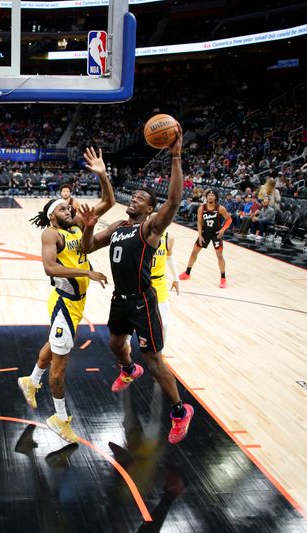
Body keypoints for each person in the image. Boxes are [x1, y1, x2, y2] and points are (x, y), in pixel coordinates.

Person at [81, 129, 194, 445]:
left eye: (142, 198)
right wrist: (89, 228)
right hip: (120, 300)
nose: (135, 198)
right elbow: (88, 248)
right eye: (135, 195)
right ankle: (128, 369)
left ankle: (179, 411)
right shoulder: (118, 226)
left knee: (154, 360)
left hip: (144, 302)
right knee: (116, 345)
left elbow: (173, 200)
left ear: (149, 210)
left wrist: (175, 155)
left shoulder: (151, 228)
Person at [17, 147, 114, 444]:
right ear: (51, 217)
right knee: (60, 367)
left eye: (68, 206)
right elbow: (50, 267)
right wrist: (87, 273)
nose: (68, 209)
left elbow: (109, 201)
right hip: (64, 303)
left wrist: (102, 175)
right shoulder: (51, 234)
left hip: (76, 303)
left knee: (55, 345)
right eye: (62, 208)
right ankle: (60, 418)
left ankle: (30, 381)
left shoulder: (75, 227)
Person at [179, 189, 232, 288]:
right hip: (205, 233)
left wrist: (223, 229)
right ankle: (187, 273)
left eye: (212, 195)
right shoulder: (201, 208)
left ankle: (223, 278)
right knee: (194, 252)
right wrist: (200, 235)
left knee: (219, 255)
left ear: (215, 197)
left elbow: (229, 219)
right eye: (208, 195)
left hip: (216, 233)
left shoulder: (220, 208)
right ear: (206, 197)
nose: (210, 196)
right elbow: (199, 222)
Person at [149, 228, 179, 339]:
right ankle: (127, 345)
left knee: (164, 322)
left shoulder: (168, 238)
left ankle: (161, 350)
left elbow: (170, 257)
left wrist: (176, 279)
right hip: (141, 281)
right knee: (132, 318)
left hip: (159, 283)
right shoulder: (142, 235)